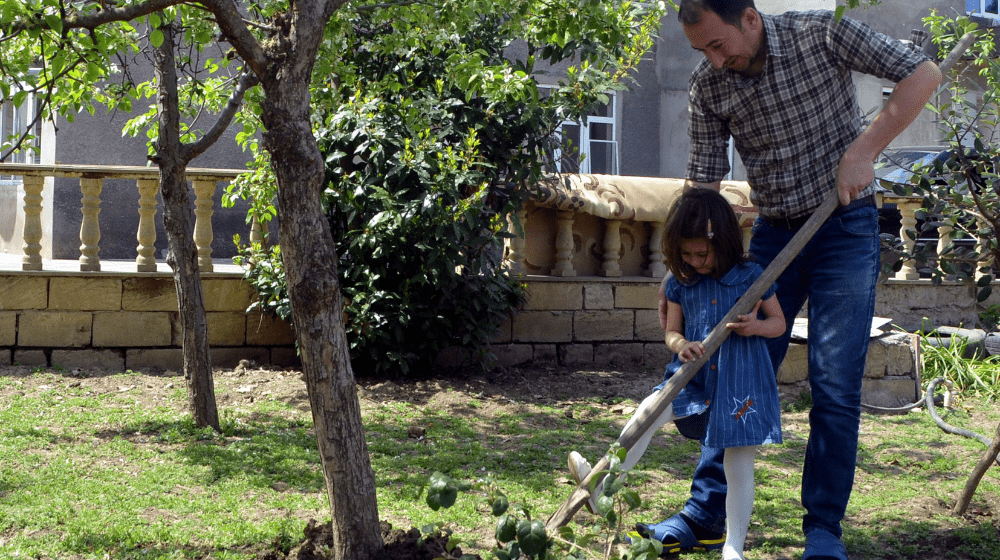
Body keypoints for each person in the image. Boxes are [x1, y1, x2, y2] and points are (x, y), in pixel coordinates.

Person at [630, 2, 942, 560]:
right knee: (732, 370)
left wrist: (863, 152)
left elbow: (924, 73)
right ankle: (705, 514)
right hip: (774, 235)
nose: (714, 60)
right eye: (703, 51)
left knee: (834, 383)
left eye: (719, 45)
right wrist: (677, 263)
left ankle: (823, 530)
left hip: (844, 227)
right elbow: (703, 185)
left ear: (750, 18)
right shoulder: (710, 85)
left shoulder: (820, 31)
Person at [568, 188, 786, 560]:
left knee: (738, 462)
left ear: (725, 242)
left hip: (740, 383)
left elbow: (779, 323)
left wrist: (755, 326)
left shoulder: (753, 277)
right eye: (685, 253)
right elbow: (671, 331)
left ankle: (733, 547)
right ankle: (604, 486)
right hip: (691, 376)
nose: (694, 261)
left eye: (702, 253)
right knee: (646, 415)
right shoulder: (678, 281)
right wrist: (679, 344)